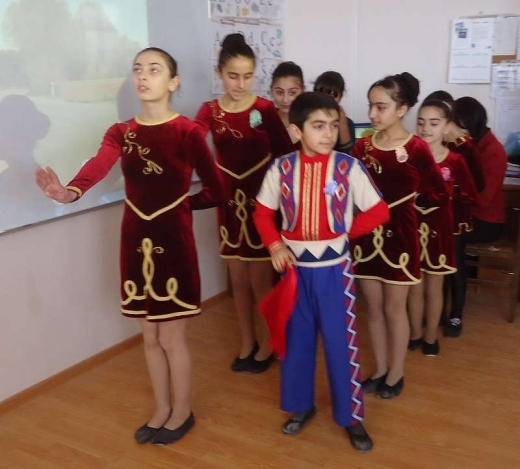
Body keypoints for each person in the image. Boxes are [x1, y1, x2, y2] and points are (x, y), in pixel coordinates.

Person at [35, 47, 222, 445]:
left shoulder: (187, 132)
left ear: (173, 82)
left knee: (171, 337)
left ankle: (182, 411)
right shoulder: (121, 132)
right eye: (138, 69)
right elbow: (100, 163)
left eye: (154, 70)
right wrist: (70, 192)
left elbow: (216, 189)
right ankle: (161, 408)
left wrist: (181, 208)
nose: (143, 76)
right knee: (149, 336)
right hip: (134, 240)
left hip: (173, 243)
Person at [253, 91, 389, 452]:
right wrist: (275, 246)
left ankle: (351, 417)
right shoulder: (281, 168)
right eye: (318, 126)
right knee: (296, 342)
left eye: (332, 125)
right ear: (296, 131)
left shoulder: (348, 167)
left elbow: (379, 211)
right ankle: (301, 405)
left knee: (341, 343)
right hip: (294, 272)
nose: (328, 133)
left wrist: (343, 234)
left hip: (334, 273)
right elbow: (262, 213)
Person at [195, 34, 294, 373]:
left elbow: (286, 156)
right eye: (233, 76)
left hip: (260, 206)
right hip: (228, 207)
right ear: (220, 73)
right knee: (237, 281)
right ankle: (247, 342)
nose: (241, 84)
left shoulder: (264, 109)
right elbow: (191, 139)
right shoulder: (210, 111)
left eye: (248, 76)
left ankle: (267, 345)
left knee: (260, 282)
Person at [351, 72, 448, 398]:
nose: (372, 114)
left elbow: (437, 194)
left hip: (402, 241)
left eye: (381, 107)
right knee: (373, 308)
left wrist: (411, 212)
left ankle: (396, 373)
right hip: (366, 239)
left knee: (395, 308)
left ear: (402, 108)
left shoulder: (417, 148)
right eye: (371, 106)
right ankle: (379, 368)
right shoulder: (362, 147)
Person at [408, 99, 477, 355]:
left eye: (434, 123)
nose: (426, 128)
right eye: (421, 122)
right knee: (414, 286)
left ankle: (430, 338)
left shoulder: (455, 160)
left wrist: (452, 207)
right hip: (413, 228)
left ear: (447, 126)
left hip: (440, 231)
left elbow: (470, 193)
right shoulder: (409, 156)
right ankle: (415, 333)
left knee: (435, 287)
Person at [444, 96, 508, 337]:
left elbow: (483, 200)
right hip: (460, 214)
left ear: (470, 126)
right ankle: (436, 306)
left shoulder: (493, 151)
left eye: (458, 126)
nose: (453, 130)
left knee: (453, 237)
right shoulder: (459, 144)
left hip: (486, 221)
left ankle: (456, 313)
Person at [313, 71, 355, 153]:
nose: (325, 100)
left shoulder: (347, 123)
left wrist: (342, 122)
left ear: (340, 97)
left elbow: (349, 154)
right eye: (321, 95)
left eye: (332, 97)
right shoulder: (306, 117)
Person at [270, 61, 305, 142]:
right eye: (280, 92)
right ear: (272, 90)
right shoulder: (264, 120)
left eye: (292, 93)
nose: (285, 100)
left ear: (302, 90)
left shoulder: (311, 122)